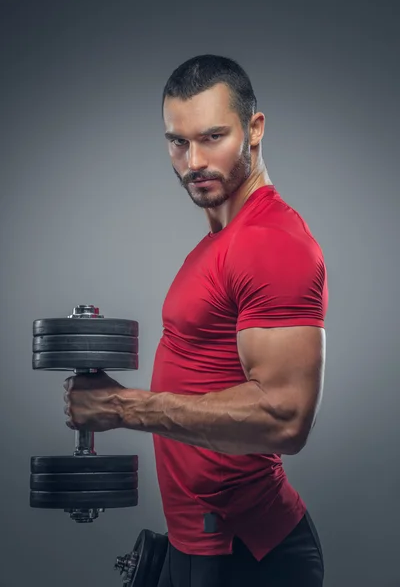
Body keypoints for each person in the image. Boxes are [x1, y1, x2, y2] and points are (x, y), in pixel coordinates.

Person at [63, 54, 328, 586]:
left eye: (212, 137)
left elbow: (285, 419)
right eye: (178, 142)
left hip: (249, 551)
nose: (193, 161)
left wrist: (119, 405)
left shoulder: (270, 242)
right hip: (197, 539)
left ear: (255, 129)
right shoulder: (218, 243)